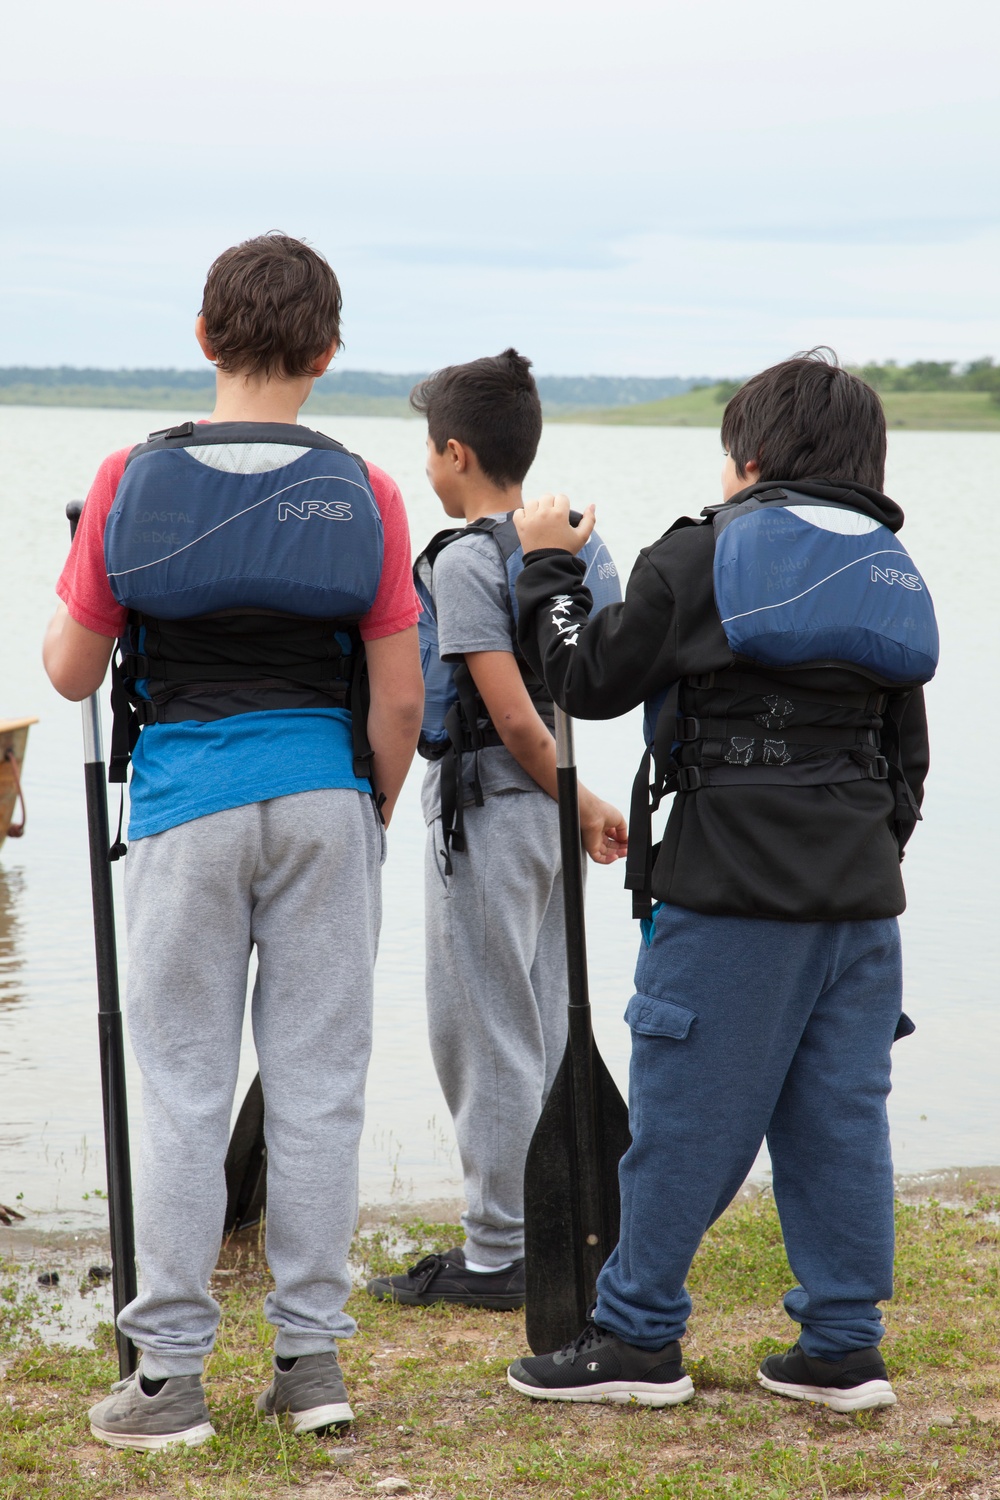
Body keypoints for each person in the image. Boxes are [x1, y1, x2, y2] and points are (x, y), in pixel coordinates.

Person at [43, 233, 424, 1448]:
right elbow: (402, 701)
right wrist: (370, 807)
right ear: (324, 352)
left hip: (184, 806)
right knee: (319, 1088)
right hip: (324, 797)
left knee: (182, 1091)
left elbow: (68, 672)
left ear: (204, 337)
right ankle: (311, 1367)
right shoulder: (367, 490)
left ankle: (167, 1380)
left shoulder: (128, 478)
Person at [504, 351, 935, 1412]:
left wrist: (550, 567)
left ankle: (639, 1339)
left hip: (731, 896)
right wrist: (861, 869)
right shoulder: (887, 570)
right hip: (860, 909)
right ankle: (842, 1346)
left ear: (747, 459)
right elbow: (903, 764)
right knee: (839, 1118)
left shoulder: (704, 552)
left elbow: (585, 678)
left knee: (685, 1115)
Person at [366, 349, 627, 1310]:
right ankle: (562, 1223)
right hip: (555, 819)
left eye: (428, 453)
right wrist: (588, 801)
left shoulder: (468, 558)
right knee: (549, 1018)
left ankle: (500, 1251)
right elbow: (588, 671)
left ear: (457, 454)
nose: (425, 470)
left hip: (490, 812)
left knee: (481, 1032)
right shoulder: (575, 544)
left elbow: (512, 716)